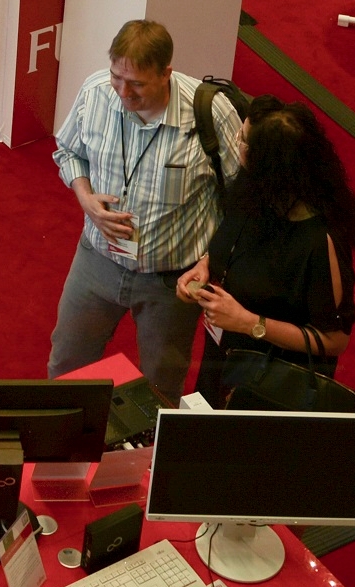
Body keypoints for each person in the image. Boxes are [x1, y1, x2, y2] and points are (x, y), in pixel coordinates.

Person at [47, 19, 247, 387]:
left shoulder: (210, 113)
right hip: (96, 260)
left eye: (137, 83)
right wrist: (85, 198)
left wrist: (209, 261)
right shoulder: (95, 93)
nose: (123, 92)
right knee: (66, 362)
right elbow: (69, 152)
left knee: (161, 382)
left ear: (166, 73)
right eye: (116, 77)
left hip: (170, 282)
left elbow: (245, 199)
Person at [174, 96, 355, 400]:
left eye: (244, 140)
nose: (237, 143)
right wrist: (207, 264)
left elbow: (334, 339)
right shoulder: (252, 190)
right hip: (223, 360)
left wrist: (250, 323)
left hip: (271, 386)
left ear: (268, 162)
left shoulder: (320, 241)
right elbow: (238, 244)